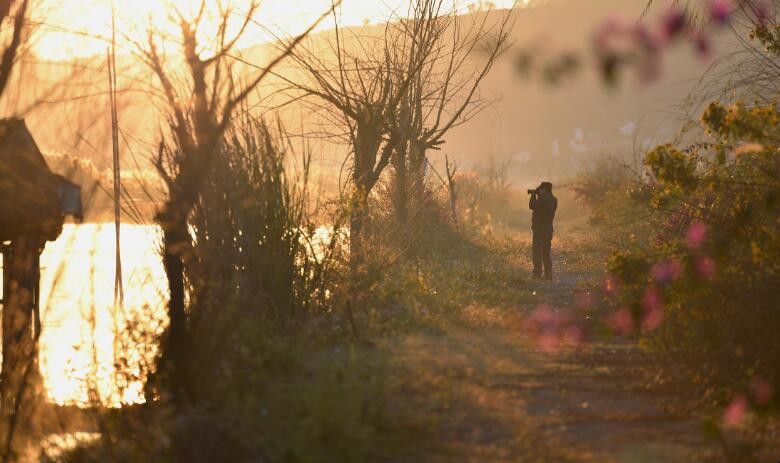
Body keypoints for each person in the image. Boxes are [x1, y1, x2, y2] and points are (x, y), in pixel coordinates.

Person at [529, 182, 557, 280]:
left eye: (540, 189)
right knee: (546, 252)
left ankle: (537, 274)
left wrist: (533, 195)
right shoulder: (554, 199)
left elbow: (532, 206)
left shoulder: (543, 199)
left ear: (545, 189)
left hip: (540, 229)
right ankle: (548, 274)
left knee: (537, 252)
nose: (539, 190)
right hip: (549, 228)